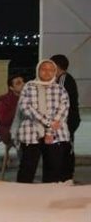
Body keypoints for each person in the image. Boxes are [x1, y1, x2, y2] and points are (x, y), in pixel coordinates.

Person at [14, 59, 71, 183]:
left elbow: (63, 110)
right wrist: (48, 123)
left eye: (51, 70)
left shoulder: (60, 89)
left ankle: (49, 194)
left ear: (55, 72)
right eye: (43, 69)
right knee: (27, 169)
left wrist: (49, 130)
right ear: (38, 70)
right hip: (31, 133)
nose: (47, 72)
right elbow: (26, 107)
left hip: (56, 133)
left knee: (53, 170)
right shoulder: (29, 87)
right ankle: (22, 194)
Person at [50, 54, 79, 182]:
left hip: (67, 120)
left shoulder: (63, 80)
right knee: (65, 146)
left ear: (57, 66)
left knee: (65, 147)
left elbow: (60, 100)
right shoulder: (65, 79)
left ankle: (65, 176)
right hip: (68, 119)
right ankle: (65, 175)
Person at [0, 74, 25, 148]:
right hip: (10, 131)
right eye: (18, 83)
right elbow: (3, 119)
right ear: (11, 88)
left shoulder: (30, 97)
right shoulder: (4, 100)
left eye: (23, 82)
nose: (23, 84)